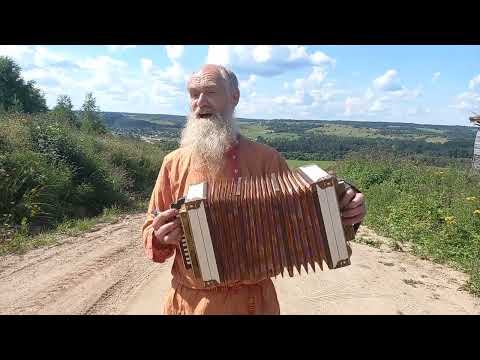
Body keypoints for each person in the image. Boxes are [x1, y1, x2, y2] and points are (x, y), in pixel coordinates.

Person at [142, 64, 366, 315]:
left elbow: (308, 213)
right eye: (194, 94)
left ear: (234, 97)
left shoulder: (267, 160)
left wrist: (345, 202)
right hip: (190, 303)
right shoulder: (173, 163)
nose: (200, 102)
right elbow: (151, 228)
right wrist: (159, 236)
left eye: (211, 92)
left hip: (254, 304)